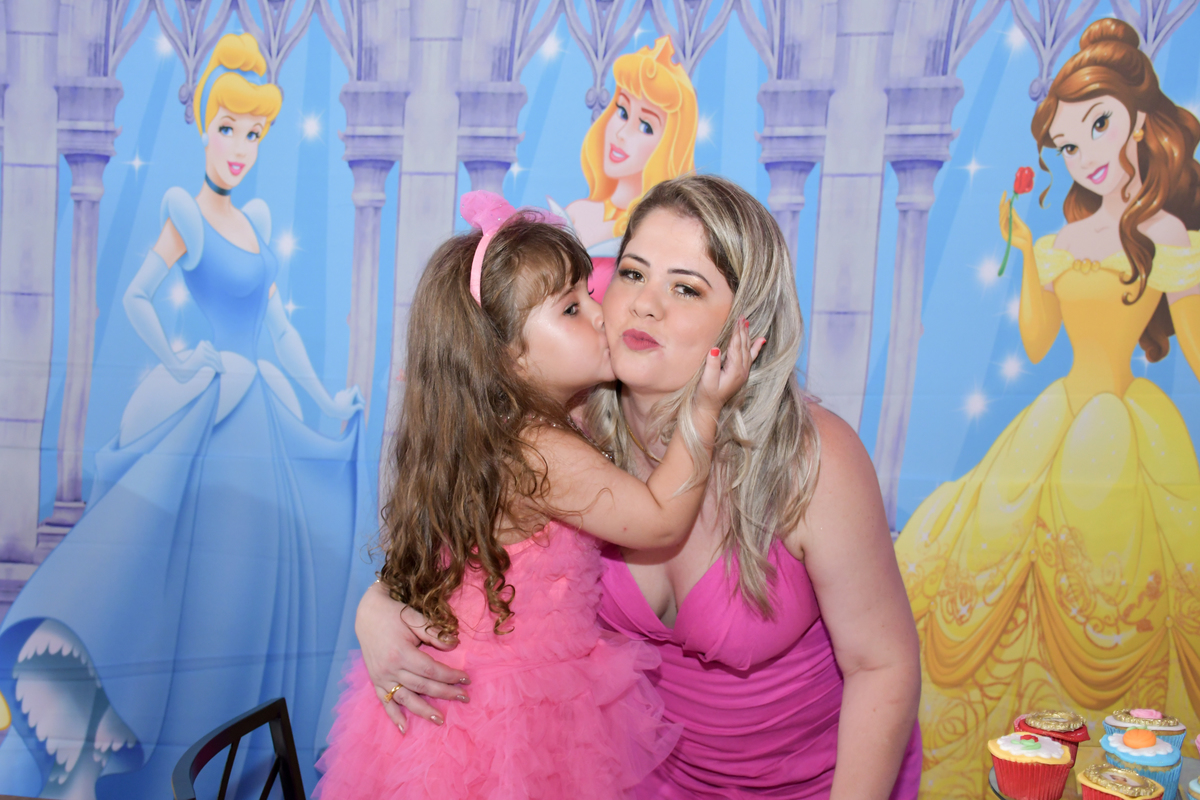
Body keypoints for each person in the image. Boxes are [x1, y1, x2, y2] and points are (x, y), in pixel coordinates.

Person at [356, 175, 923, 799]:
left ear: (746, 324)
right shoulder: (563, 431)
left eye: (685, 287)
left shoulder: (812, 456)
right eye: (632, 273)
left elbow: (882, 665)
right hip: (628, 781)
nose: (644, 304)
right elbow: (457, 540)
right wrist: (377, 609)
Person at [0, 33, 371, 797]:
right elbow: (137, 295)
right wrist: (175, 360)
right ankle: (128, 738)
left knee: (251, 599)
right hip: (212, 411)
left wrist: (323, 399)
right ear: (204, 125)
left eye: (254, 134)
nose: (239, 148)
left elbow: (279, 330)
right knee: (177, 576)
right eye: (228, 128)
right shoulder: (186, 214)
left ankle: (241, 760)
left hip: (261, 415)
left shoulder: (256, 220)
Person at [313, 191, 759, 798]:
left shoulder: (503, 432)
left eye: (591, 294)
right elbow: (658, 519)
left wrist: (376, 604)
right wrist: (705, 410)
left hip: (469, 707)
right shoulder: (538, 449)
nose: (601, 314)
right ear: (511, 360)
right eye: (572, 309)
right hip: (507, 719)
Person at [894, 18, 1200, 798]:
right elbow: (1037, 343)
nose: (1085, 154)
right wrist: (1031, 255)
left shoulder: (1165, 232)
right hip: (1057, 422)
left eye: (1098, 125)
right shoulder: (1064, 241)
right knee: (992, 564)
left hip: (1128, 433)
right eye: (1067, 144)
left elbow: (1197, 351)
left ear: (1139, 119)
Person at [549, 35, 697, 298]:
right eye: (623, 112)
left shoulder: (669, 234)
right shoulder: (576, 214)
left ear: (669, 145)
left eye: (645, 126)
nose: (621, 134)